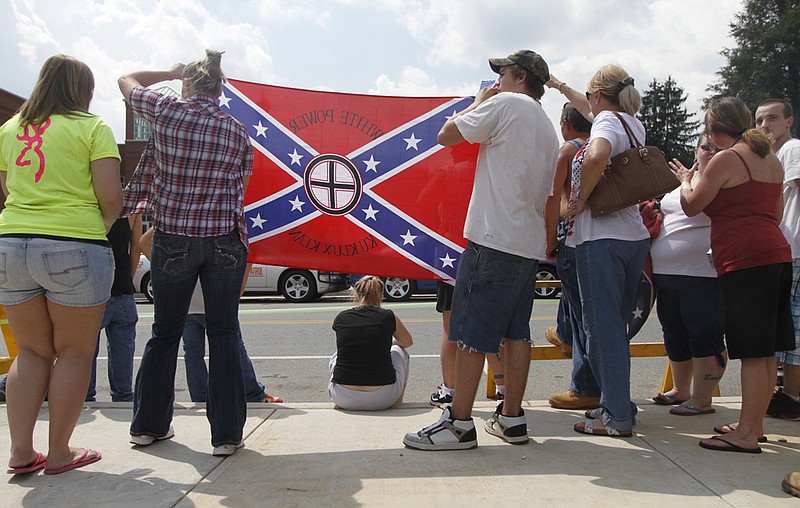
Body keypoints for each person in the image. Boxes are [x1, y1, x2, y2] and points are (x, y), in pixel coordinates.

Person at [403, 49, 558, 450]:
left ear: (519, 76)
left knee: (470, 333)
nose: (497, 79)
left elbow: (446, 135)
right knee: (516, 334)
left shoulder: (505, 103)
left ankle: (458, 423)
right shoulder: (545, 122)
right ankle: (512, 418)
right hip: (527, 242)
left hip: (493, 238)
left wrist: (479, 101)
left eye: (503, 72)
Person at [119, 49, 254, 457]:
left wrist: (167, 70)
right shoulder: (236, 129)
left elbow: (126, 79)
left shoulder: (166, 110)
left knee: (165, 332)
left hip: (174, 236)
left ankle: (149, 425)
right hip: (224, 240)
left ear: (190, 83)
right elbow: (241, 185)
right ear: (220, 87)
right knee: (225, 332)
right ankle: (227, 435)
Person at [0, 54, 121, 474]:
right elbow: (110, 197)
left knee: (31, 352)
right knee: (73, 353)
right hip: (74, 242)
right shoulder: (92, 127)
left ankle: (19, 452)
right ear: (82, 91)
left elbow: (8, 189)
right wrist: (96, 229)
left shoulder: (9, 130)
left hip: (11, 244)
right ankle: (59, 453)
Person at [677, 96, 792, 453]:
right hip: (775, 253)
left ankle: (744, 434)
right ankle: (752, 425)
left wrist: (686, 179)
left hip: (745, 260)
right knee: (767, 348)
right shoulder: (771, 160)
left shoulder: (727, 158)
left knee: (752, 351)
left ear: (712, 128)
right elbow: (775, 212)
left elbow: (692, 205)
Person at [551, 65, 650, 437]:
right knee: (614, 329)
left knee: (600, 329)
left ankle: (615, 414)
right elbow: (591, 109)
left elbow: (596, 156)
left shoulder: (606, 122)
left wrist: (578, 198)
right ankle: (618, 400)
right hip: (632, 238)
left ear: (598, 95)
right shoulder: (628, 121)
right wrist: (561, 86)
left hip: (599, 239)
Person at [651, 136, 727, 415]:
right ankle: (680, 390)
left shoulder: (723, 180)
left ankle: (702, 399)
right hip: (667, 274)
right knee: (674, 334)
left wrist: (685, 182)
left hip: (702, 275)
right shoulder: (683, 180)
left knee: (704, 337)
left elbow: (696, 206)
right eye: (705, 147)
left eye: (718, 149)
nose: (710, 153)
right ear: (696, 151)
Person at [541, 97, 601, 410]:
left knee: (582, 319)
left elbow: (554, 198)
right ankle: (563, 333)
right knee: (582, 307)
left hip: (573, 233)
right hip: (604, 236)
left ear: (566, 125)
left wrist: (549, 238)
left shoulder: (569, 150)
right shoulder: (604, 145)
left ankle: (584, 387)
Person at [756, 98, 800, 421]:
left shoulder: (792, 149)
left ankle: (791, 398)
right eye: (759, 121)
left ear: (789, 122)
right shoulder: (773, 155)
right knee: (786, 332)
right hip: (787, 250)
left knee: (793, 332)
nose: (764, 126)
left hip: (794, 248)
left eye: (772, 118)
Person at [328, 276, 413, 410]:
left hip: (342, 398)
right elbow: (407, 342)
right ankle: (398, 403)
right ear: (380, 295)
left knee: (338, 354)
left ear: (357, 294)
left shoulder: (341, 317)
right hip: (383, 399)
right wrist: (388, 343)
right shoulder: (388, 316)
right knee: (400, 351)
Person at [87, 215, 142, 402]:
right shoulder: (133, 209)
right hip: (122, 289)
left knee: (85, 350)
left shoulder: (88, 203)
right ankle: (123, 396)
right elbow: (136, 248)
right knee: (123, 350)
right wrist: (128, 277)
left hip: (92, 289)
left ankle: (86, 396)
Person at [429, 281, 507, 407]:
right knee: (490, 326)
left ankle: (449, 392)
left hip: (451, 269)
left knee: (451, 327)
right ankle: (503, 391)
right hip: (486, 267)